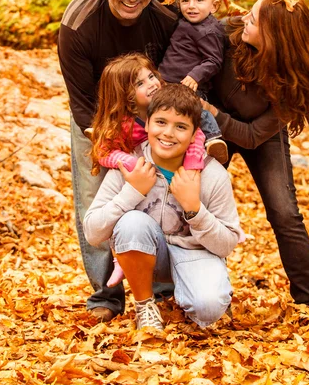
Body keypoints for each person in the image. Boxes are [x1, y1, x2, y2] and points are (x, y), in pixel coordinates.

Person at [58, 0, 178, 322]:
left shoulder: (165, 18)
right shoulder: (77, 25)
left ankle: (161, 289)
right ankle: (106, 296)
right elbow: (82, 106)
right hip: (97, 120)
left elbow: (174, 81)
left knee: (162, 193)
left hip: (153, 120)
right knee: (95, 202)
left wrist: (159, 136)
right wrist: (118, 155)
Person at [203, 0, 309, 306]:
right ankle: (204, 292)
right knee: (199, 203)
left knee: (284, 213)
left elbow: (253, 135)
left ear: (274, 36)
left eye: (254, 18)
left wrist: (213, 112)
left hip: (258, 134)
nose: (244, 17)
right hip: (212, 130)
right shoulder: (229, 31)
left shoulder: (295, 80)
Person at [84, 84, 245, 330]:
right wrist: (133, 191)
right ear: (146, 124)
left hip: (195, 253)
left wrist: (194, 209)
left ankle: (199, 290)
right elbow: (93, 233)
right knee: (132, 222)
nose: (168, 133)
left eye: (180, 127)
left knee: (209, 308)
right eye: (160, 122)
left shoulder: (212, 174)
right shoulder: (131, 164)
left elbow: (227, 244)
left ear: (194, 135)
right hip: (144, 249)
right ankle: (145, 304)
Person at [88, 52, 206, 287]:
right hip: (139, 175)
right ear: (125, 96)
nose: (151, 84)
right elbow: (102, 151)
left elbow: (197, 136)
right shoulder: (125, 124)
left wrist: (192, 169)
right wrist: (129, 163)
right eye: (140, 83)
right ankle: (121, 257)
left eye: (151, 76)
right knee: (130, 216)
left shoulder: (169, 108)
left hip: (173, 174)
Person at [159, 0, 228, 163]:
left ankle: (213, 138)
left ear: (213, 6)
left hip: (188, 85)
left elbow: (214, 60)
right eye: (185, 0)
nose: (191, 6)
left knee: (194, 109)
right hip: (167, 82)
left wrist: (195, 76)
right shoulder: (187, 21)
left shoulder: (209, 30)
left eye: (199, 0)